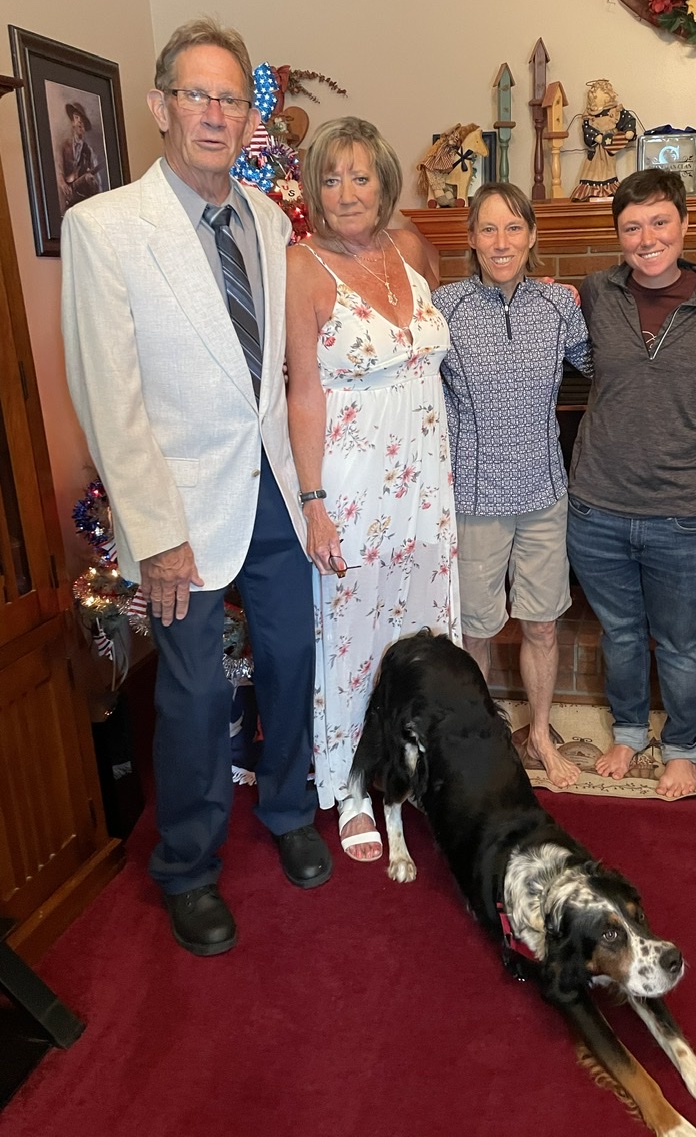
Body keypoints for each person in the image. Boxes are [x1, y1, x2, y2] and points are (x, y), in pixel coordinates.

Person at [61, 18, 329, 957]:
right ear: (160, 105)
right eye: (198, 95)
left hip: (271, 494)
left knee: (295, 656)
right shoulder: (104, 229)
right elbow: (108, 394)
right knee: (193, 695)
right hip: (178, 508)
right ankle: (187, 865)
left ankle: (290, 807)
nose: (216, 115)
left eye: (232, 99)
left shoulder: (262, 215)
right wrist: (155, 532)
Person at [285, 116, 460, 861]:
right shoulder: (302, 266)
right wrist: (315, 502)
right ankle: (355, 784)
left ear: (384, 181)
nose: (346, 192)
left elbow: (436, 344)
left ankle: (415, 763)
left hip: (428, 476)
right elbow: (302, 393)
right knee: (355, 638)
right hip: (355, 487)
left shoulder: (411, 245)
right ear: (314, 190)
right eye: (330, 177)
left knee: (422, 630)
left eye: (360, 176)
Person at [566, 168, 696, 797]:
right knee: (618, 632)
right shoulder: (596, 291)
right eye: (632, 226)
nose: (647, 238)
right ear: (618, 235)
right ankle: (627, 731)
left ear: (683, 224)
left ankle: (681, 745)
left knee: (677, 640)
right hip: (597, 506)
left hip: (686, 509)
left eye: (659, 222)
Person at [432, 182, 592, 788]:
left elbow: (605, 367)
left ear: (531, 236)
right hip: (473, 497)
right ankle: (476, 740)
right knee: (476, 627)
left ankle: (542, 733)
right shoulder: (444, 308)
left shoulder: (557, 307)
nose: (502, 242)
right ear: (471, 239)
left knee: (543, 622)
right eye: (489, 230)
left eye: (513, 229)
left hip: (544, 491)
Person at [58, 101, 101, 212]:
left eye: (83, 121)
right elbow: (58, 170)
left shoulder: (89, 151)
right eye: (77, 118)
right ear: (72, 122)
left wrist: (92, 181)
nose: (80, 122)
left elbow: (98, 183)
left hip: (84, 200)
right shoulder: (64, 146)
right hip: (69, 199)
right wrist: (63, 184)